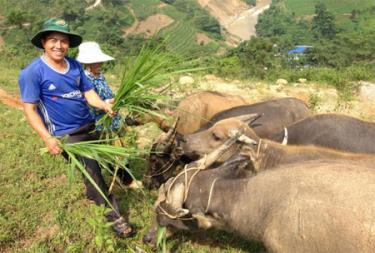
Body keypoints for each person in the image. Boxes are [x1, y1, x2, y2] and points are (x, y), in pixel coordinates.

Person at [18, 18, 135, 238]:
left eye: (63, 41)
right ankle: (115, 218)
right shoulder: (32, 73)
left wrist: (104, 105)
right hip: (67, 136)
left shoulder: (73, 66)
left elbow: (89, 93)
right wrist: (47, 138)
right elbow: (30, 110)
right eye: (53, 40)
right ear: (43, 42)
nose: (58, 45)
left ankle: (95, 193)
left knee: (104, 161)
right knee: (93, 174)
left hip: (88, 125)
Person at [76, 41, 140, 188]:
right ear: (87, 63)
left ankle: (124, 178)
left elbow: (106, 96)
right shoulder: (85, 80)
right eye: (95, 61)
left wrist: (114, 100)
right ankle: (127, 181)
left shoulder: (99, 76)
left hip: (113, 120)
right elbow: (90, 101)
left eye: (100, 61)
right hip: (103, 123)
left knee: (121, 150)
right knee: (116, 153)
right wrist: (107, 104)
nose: (99, 63)